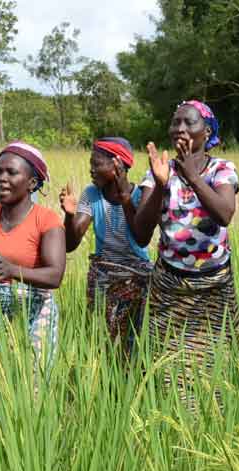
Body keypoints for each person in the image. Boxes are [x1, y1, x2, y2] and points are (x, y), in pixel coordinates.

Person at [133, 100, 239, 411]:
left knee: (216, 368)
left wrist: (191, 176)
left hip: (213, 286)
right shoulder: (156, 172)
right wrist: (161, 184)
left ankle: (214, 430)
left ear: (206, 132)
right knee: (166, 368)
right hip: (169, 287)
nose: (180, 129)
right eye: (175, 122)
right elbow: (141, 233)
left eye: (189, 123)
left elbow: (224, 214)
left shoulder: (222, 170)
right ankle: (176, 435)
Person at [0, 142, 66, 368]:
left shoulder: (46, 219)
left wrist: (13, 271)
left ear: (31, 183)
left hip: (33, 309)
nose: (2, 178)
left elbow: (55, 275)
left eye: (12, 172)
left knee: (31, 381)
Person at [59, 137, 152, 352]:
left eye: (96, 164)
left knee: (134, 338)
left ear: (117, 164)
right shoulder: (92, 194)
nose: (91, 170)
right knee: (102, 340)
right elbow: (70, 244)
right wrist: (69, 216)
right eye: (91, 164)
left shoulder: (141, 196)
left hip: (136, 275)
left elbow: (140, 237)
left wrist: (124, 196)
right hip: (103, 274)